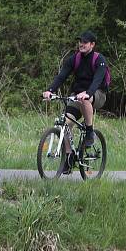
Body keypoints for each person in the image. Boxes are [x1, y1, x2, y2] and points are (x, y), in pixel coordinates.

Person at [42, 30, 109, 173]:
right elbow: (62, 76)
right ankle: (69, 157)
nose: (81, 44)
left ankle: (90, 132)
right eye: (80, 41)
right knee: (65, 124)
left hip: (97, 94)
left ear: (92, 44)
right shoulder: (74, 59)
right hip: (77, 95)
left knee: (85, 100)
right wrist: (50, 90)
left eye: (85, 42)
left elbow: (98, 80)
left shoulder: (99, 59)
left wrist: (88, 93)